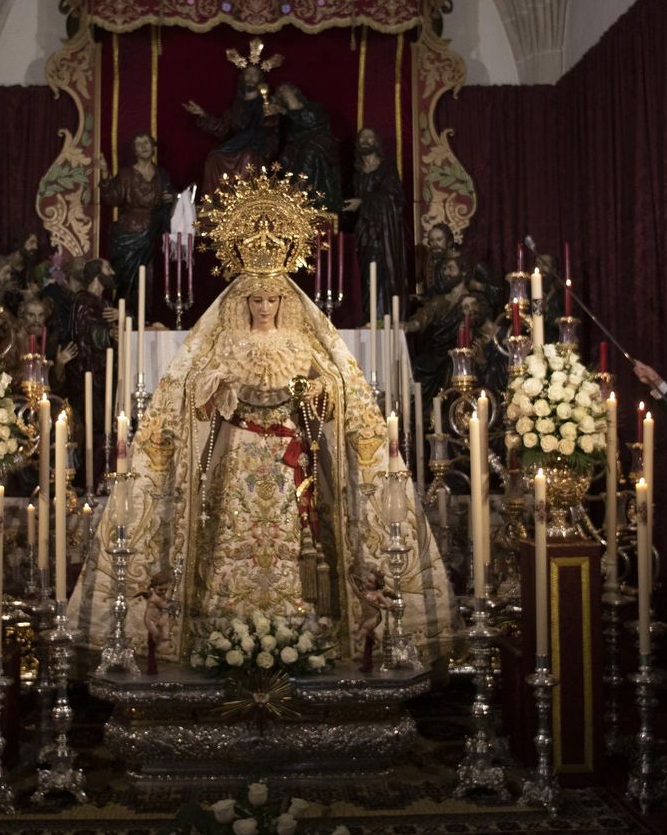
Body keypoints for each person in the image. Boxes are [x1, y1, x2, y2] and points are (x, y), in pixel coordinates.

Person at [67, 171, 456, 665]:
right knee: (233, 545)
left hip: (294, 464)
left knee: (298, 549)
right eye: (257, 299)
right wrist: (224, 388)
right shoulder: (225, 342)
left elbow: (336, 390)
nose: (265, 306)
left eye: (273, 299)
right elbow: (195, 390)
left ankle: (304, 630)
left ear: (284, 299)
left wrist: (315, 389)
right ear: (244, 301)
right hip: (237, 458)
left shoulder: (301, 341)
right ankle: (222, 630)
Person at [184, 62, 278, 196]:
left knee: (248, 156)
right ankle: (216, 201)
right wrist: (203, 114)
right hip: (237, 144)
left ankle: (248, 199)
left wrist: (271, 117)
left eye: (255, 75)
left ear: (260, 80)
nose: (251, 78)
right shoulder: (236, 107)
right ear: (242, 79)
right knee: (214, 157)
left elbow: (272, 129)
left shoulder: (266, 103)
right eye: (248, 74)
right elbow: (223, 128)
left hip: (257, 146)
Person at [101, 133, 174, 300]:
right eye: (139, 144)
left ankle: (147, 317)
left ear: (153, 147)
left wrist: (172, 198)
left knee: (150, 278)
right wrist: (105, 175)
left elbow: (167, 201)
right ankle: (126, 314)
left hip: (153, 233)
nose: (144, 146)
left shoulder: (162, 175)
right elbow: (112, 198)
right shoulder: (126, 174)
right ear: (134, 151)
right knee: (127, 280)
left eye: (147, 142)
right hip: (129, 232)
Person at [344, 127, 408, 318]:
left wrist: (363, 202)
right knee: (364, 275)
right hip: (363, 232)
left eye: (370, 137)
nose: (366, 140)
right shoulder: (355, 173)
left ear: (376, 143)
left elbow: (394, 199)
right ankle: (366, 315)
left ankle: (382, 316)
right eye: (362, 137)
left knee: (381, 273)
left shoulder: (387, 168)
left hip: (384, 233)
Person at [273, 82, 342, 215]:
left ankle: (306, 198)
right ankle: (292, 198)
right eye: (281, 92)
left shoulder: (314, 107)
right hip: (298, 145)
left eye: (286, 89)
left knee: (309, 153)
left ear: (295, 91)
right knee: (284, 160)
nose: (284, 92)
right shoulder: (286, 117)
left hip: (320, 140)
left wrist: (291, 104)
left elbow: (309, 122)